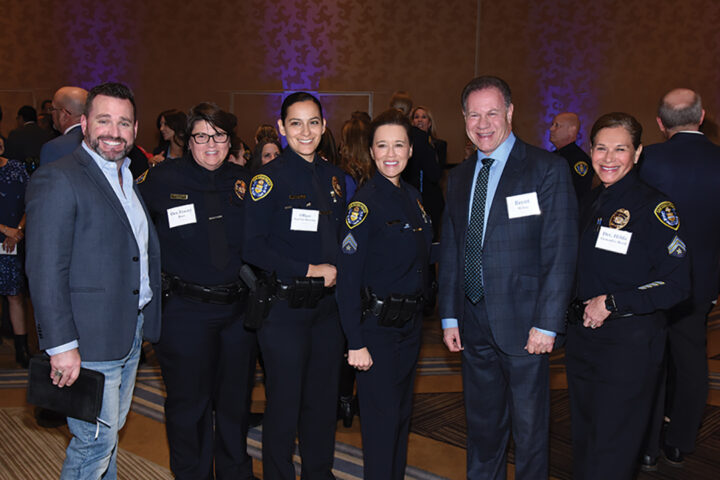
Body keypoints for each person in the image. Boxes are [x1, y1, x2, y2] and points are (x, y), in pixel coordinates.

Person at [439, 75, 578, 479]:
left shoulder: (546, 170)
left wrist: (548, 323)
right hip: (472, 321)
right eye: (474, 115)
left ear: (511, 113)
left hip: (527, 326)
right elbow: (452, 248)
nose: (483, 124)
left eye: (493, 113)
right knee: (482, 429)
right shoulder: (460, 176)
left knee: (530, 432)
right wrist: (449, 314)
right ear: (464, 119)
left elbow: (561, 252)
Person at [24, 82, 162, 479]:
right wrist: (62, 346)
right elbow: (46, 268)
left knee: (108, 434)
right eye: (104, 120)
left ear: (135, 131)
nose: (113, 132)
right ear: (84, 123)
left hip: (128, 330)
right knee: (94, 441)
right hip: (87, 336)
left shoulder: (128, 177)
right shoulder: (59, 178)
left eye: (124, 123)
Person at [566, 112, 691, 479]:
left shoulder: (654, 208)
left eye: (619, 149)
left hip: (629, 346)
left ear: (637, 153)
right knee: (586, 441)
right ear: (589, 151)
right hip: (584, 343)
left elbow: (677, 283)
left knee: (613, 449)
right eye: (601, 148)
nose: (608, 158)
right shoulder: (590, 202)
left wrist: (613, 302)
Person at [138, 102, 257, 480]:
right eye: (202, 136)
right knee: (189, 407)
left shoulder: (245, 182)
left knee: (235, 404)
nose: (210, 144)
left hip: (238, 315)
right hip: (184, 312)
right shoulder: (161, 180)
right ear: (189, 141)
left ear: (229, 140)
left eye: (219, 136)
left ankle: (236, 473)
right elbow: (135, 238)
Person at [243, 92, 345, 480]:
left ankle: (319, 473)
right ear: (283, 128)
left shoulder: (334, 177)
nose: (306, 131)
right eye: (297, 123)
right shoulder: (267, 180)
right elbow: (253, 247)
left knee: (322, 402)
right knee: (285, 404)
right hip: (285, 310)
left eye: (314, 122)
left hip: (327, 311)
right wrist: (308, 269)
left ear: (323, 126)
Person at [337, 108, 433, 478]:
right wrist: (355, 341)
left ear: (410, 151)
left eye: (398, 145)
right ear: (371, 152)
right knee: (380, 424)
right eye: (382, 146)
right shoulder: (364, 204)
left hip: (409, 328)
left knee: (401, 418)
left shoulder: (412, 196)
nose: (390, 154)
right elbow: (347, 278)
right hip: (376, 331)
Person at [638, 88, 720, 468]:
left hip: (649, 281)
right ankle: (679, 441)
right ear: (701, 117)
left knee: (648, 361)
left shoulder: (647, 158)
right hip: (701, 281)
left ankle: (648, 443)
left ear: (659, 122)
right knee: (690, 361)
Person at [0, 136, 30, 367]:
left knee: (15, 294)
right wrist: (6, 230)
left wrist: (18, 230)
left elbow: (32, 200)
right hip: (6, 234)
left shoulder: (16, 168)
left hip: (13, 241)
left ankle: (22, 349)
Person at [549, 112, 594, 200]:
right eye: (552, 125)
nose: (551, 129)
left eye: (557, 125)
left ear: (571, 130)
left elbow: (579, 193)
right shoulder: (551, 156)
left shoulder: (579, 160)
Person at [39, 86, 88, 166]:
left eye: (52, 109)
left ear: (64, 115)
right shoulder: (102, 141)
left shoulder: (54, 148)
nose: (51, 114)